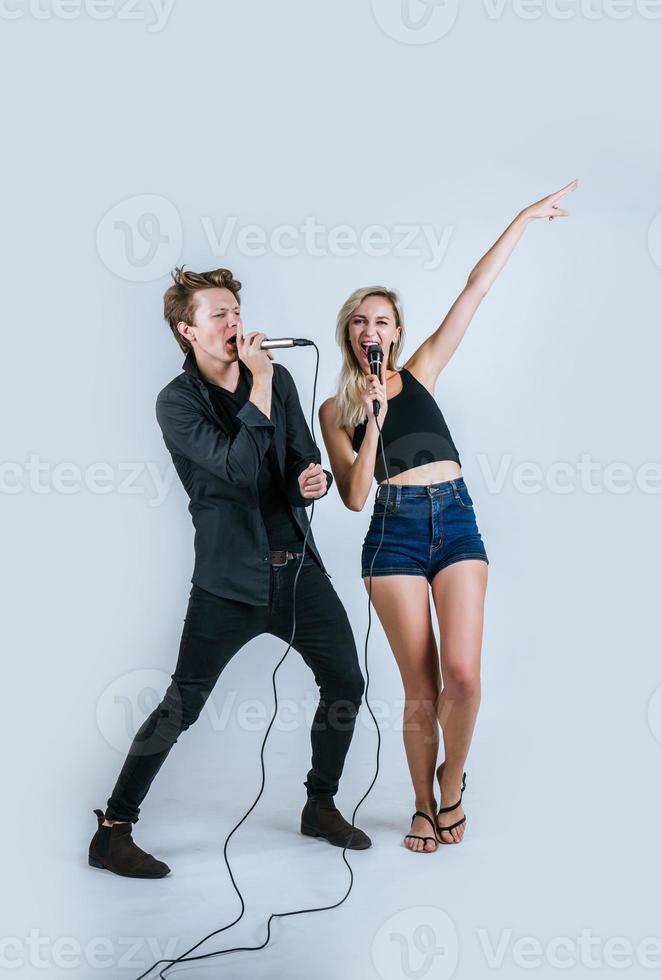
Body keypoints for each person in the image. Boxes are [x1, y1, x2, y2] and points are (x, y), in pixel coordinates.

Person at [319, 181, 577, 852]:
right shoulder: (335, 409)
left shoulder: (423, 369)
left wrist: (523, 217)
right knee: (422, 687)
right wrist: (370, 419)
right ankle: (420, 804)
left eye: (381, 321)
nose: (371, 330)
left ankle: (452, 780)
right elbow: (350, 495)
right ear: (348, 334)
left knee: (463, 675)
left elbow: (473, 291)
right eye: (359, 321)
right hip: (391, 533)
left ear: (396, 332)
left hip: (455, 521)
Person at [88, 266, 370, 878]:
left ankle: (319, 805)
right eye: (218, 315)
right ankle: (113, 830)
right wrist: (260, 386)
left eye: (236, 312)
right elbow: (237, 470)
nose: (234, 323)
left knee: (346, 683)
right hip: (229, 584)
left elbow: (297, 459)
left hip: (297, 571)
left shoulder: (280, 380)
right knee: (180, 704)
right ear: (188, 331)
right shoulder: (178, 402)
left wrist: (309, 481)